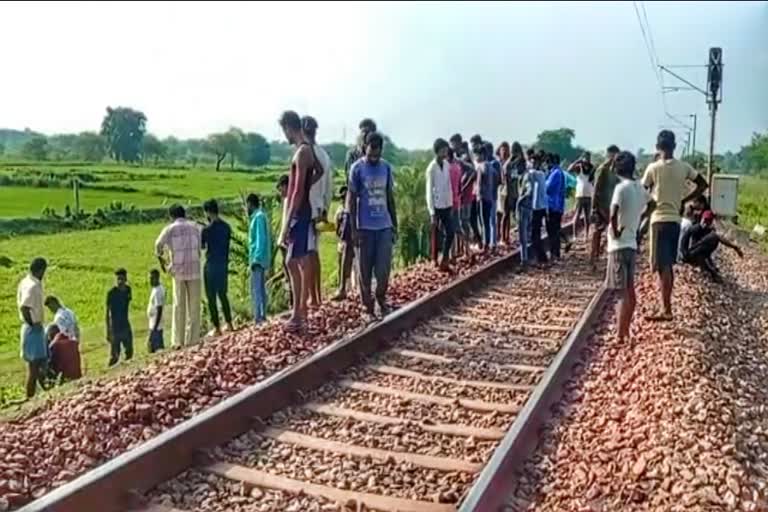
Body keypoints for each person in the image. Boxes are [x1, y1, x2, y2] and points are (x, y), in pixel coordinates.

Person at [642, 130, 708, 321]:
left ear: (657, 147)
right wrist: (683, 200)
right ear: (675, 146)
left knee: (663, 266)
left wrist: (645, 213)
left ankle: (666, 309)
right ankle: (665, 305)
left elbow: (642, 191)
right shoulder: (684, 167)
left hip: (659, 220)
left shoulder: (653, 168)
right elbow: (702, 184)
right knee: (667, 263)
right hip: (675, 221)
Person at [277, 110, 323, 333]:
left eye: (284, 130)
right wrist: (306, 186)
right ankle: (300, 310)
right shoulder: (307, 149)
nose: (284, 135)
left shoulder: (301, 153)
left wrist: (285, 225)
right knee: (298, 261)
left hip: (299, 213)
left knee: (293, 262)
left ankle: (298, 314)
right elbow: (320, 171)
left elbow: (295, 192)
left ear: (288, 127)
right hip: (302, 211)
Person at [348, 132, 398, 318]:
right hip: (365, 228)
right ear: (365, 148)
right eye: (371, 153)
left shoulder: (386, 168)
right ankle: (367, 307)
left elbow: (389, 197)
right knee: (364, 272)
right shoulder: (356, 169)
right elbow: (351, 200)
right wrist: (354, 229)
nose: (374, 157)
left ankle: (381, 298)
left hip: (384, 226)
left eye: (377, 154)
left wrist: (394, 224)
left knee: (383, 269)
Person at [606, 151, 651, 344]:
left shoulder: (620, 188)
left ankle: (620, 334)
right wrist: (640, 225)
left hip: (618, 245)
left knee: (621, 292)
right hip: (631, 244)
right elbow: (653, 205)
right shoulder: (640, 189)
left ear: (617, 168)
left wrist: (615, 231)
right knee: (630, 291)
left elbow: (613, 214)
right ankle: (624, 330)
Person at [155, 204, 202, 347]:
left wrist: (163, 261)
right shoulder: (195, 227)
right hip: (194, 268)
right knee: (194, 306)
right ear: (184, 214)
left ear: (172, 216)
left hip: (178, 270)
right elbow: (199, 247)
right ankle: (193, 339)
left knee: (179, 305)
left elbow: (158, 245)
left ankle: (178, 341)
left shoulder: (170, 229)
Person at [303, 115, 333, 307]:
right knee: (314, 252)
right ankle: (316, 296)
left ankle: (312, 297)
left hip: (307, 209)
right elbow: (329, 187)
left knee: (308, 254)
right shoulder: (324, 155)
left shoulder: (306, 153)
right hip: (320, 208)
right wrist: (326, 210)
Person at [680, 210, 743, 282]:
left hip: (697, 253)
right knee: (714, 237)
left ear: (710, 222)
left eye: (708, 221)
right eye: (705, 220)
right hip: (689, 254)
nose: (705, 223)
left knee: (710, 242)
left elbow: (703, 251)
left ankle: (709, 270)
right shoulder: (696, 228)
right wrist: (684, 254)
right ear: (701, 219)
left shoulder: (707, 230)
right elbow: (684, 240)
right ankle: (710, 271)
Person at [17, 257, 48, 398]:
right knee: (34, 367)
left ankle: (46, 390)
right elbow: (25, 307)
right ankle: (29, 396)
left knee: (41, 362)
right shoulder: (33, 286)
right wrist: (32, 324)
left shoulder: (26, 281)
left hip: (30, 328)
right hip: (32, 328)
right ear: (41, 270)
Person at [201, 199, 233, 336]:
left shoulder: (206, 229)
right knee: (223, 295)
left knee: (211, 298)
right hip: (223, 264)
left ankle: (217, 328)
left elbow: (202, 246)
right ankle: (229, 323)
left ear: (208, 212)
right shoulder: (227, 227)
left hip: (211, 265)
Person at [426, 138, 455, 270]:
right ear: (437, 151)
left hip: (446, 204)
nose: (445, 151)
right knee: (436, 234)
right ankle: (434, 259)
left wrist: (451, 202)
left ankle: (445, 258)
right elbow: (429, 191)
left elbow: (448, 185)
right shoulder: (431, 168)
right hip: (436, 205)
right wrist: (432, 211)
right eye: (443, 149)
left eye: (446, 149)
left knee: (450, 231)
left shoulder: (447, 165)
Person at [591, 145, 621, 269]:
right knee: (598, 232)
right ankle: (594, 257)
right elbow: (596, 188)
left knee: (610, 231)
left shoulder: (616, 170)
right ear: (610, 155)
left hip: (612, 206)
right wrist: (593, 208)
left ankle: (605, 256)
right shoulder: (602, 169)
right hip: (601, 206)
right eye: (614, 155)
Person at [247, 193, 272, 323]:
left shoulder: (258, 217)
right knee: (261, 288)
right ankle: (262, 315)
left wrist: (256, 258)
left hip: (258, 259)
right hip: (262, 258)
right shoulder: (260, 216)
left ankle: (258, 317)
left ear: (250, 204)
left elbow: (260, 239)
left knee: (256, 289)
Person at [332, 185, 356, 299]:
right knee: (343, 263)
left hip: (346, 237)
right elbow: (337, 226)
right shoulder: (340, 211)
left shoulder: (343, 210)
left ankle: (350, 288)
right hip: (342, 239)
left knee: (353, 265)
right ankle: (343, 287)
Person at [106, 268, 133, 366]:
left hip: (125, 325)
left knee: (129, 351)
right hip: (115, 327)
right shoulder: (111, 293)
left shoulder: (128, 290)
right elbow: (108, 313)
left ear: (126, 278)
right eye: (118, 279)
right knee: (114, 356)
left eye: (122, 279)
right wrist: (108, 331)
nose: (120, 281)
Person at [501, 142, 524, 244]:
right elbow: (506, 175)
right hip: (507, 192)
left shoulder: (518, 164)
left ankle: (507, 237)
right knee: (506, 215)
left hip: (515, 192)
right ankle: (503, 238)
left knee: (513, 215)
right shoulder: (509, 164)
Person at [569, 151, 595, 241]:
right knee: (577, 215)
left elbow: (593, 181)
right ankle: (574, 235)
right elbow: (569, 170)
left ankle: (586, 235)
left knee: (587, 217)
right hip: (580, 195)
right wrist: (577, 161)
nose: (587, 159)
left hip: (588, 194)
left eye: (588, 157)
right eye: (585, 157)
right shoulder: (579, 167)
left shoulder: (592, 168)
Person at [545, 153, 567, 260]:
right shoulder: (559, 172)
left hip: (553, 205)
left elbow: (547, 188)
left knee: (552, 231)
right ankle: (555, 253)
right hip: (558, 205)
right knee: (555, 230)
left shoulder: (555, 173)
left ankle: (554, 253)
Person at [275, 175, 293, 305]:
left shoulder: (289, 200)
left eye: (281, 188)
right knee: (288, 272)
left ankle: (293, 300)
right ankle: (291, 300)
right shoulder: (287, 200)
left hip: (286, 241)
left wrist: (284, 238)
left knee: (290, 272)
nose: (281, 192)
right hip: (284, 240)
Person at [344, 118, 377, 183]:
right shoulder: (352, 153)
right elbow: (349, 177)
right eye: (362, 132)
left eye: (367, 132)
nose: (364, 135)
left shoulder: (377, 154)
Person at [530, 153, 549, 263]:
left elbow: (530, 173)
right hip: (541, 207)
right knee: (536, 233)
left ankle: (541, 258)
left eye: (533, 162)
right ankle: (540, 257)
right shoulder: (542, 173)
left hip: (537, 208)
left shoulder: (537, 174)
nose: (532, 164)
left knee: (535, 234)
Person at [516, 157, 534, 265]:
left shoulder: (526, 176)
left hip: (524, 208)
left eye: (517, 167)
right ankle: (528, 257)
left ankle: (524, 259)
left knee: (523, 236)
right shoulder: (523, 176)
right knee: (527, 234)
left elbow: (529, 190)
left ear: (521, 166)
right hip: (528, 208)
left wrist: (520, 200)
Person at [447, 148, 464, 257]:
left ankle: (452, 253)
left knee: (450, 228)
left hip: (448, 202)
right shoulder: (458, 167)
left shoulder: (447, 168)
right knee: (457, 226)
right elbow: (460, 186)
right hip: (457, 200)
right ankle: (464, 248)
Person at [147, 269, 166, 353]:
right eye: (150, 278)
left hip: (156, 326)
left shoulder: (158, 291)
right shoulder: (155, 289)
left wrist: (154, 328)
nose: (150, 280)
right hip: (153, 324)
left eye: (152, 278)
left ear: (157, 278)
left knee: (156, 349)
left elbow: (159, 309)